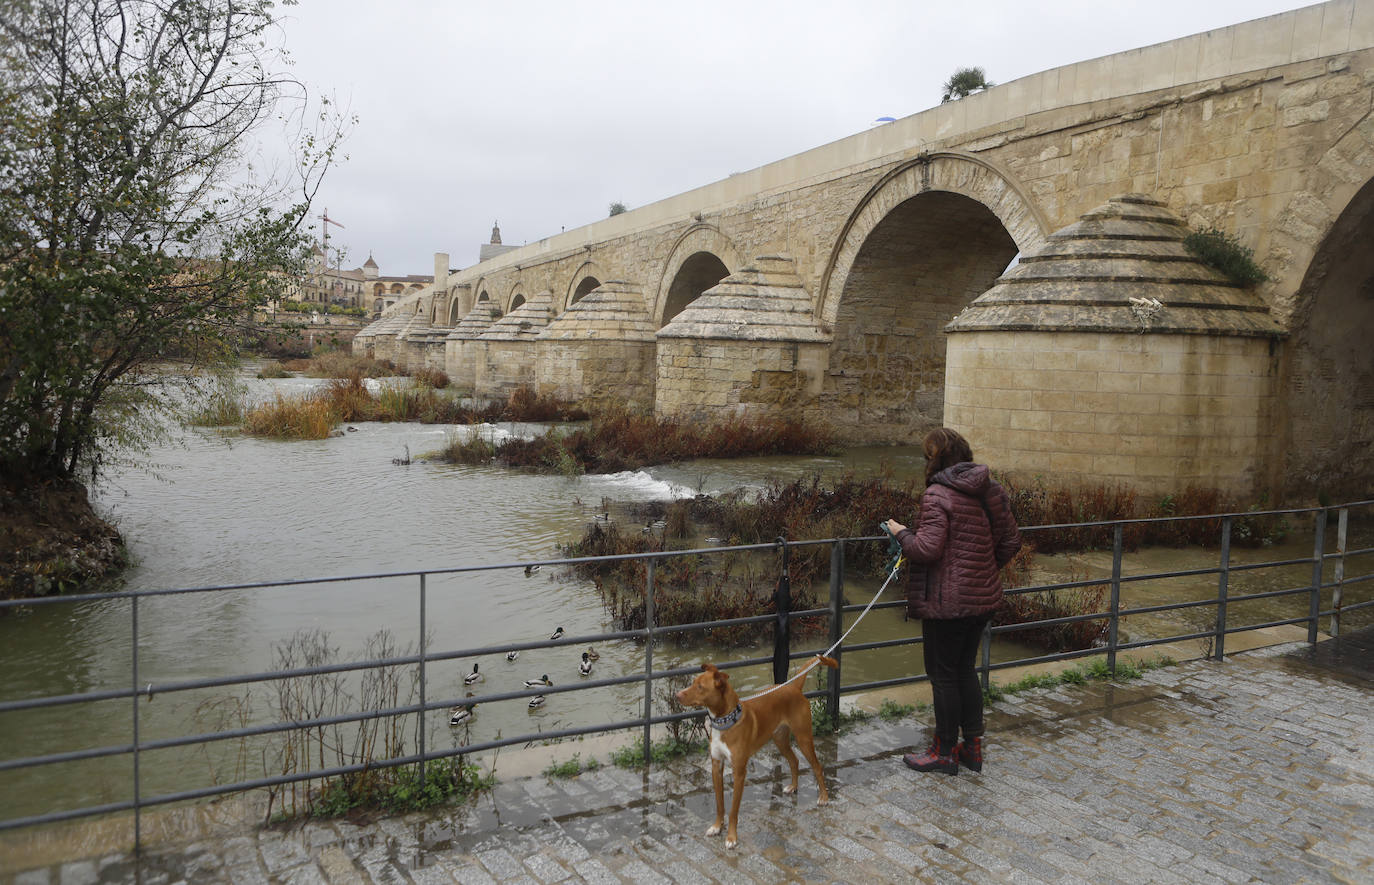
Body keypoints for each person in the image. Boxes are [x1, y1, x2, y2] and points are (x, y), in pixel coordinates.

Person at [885, 427, 1021, 775]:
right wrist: (981, 572)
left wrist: (900, 532)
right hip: (981, 599)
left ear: (935, 459)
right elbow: (1011, 543)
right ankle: (972, 748)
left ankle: (943, 752)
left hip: (947, 604)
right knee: (963, 671)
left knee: (943, 675)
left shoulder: (937, 495)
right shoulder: (993, 490)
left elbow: (926, 549)